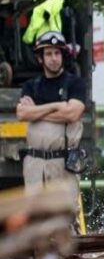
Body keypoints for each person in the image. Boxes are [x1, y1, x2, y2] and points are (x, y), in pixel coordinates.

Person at [16, 31, 86, 205]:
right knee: (36, 218)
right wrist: (56, 106)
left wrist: (37, 112)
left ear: (62, 56)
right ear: (40, 58)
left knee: (64, 216)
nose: (53, 58)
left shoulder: (75, 83)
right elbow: (23, 114)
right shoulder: (31, 86)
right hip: (35, 164)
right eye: (48, 53)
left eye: (57, 53)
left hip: (62, 162)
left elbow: (73, 114)